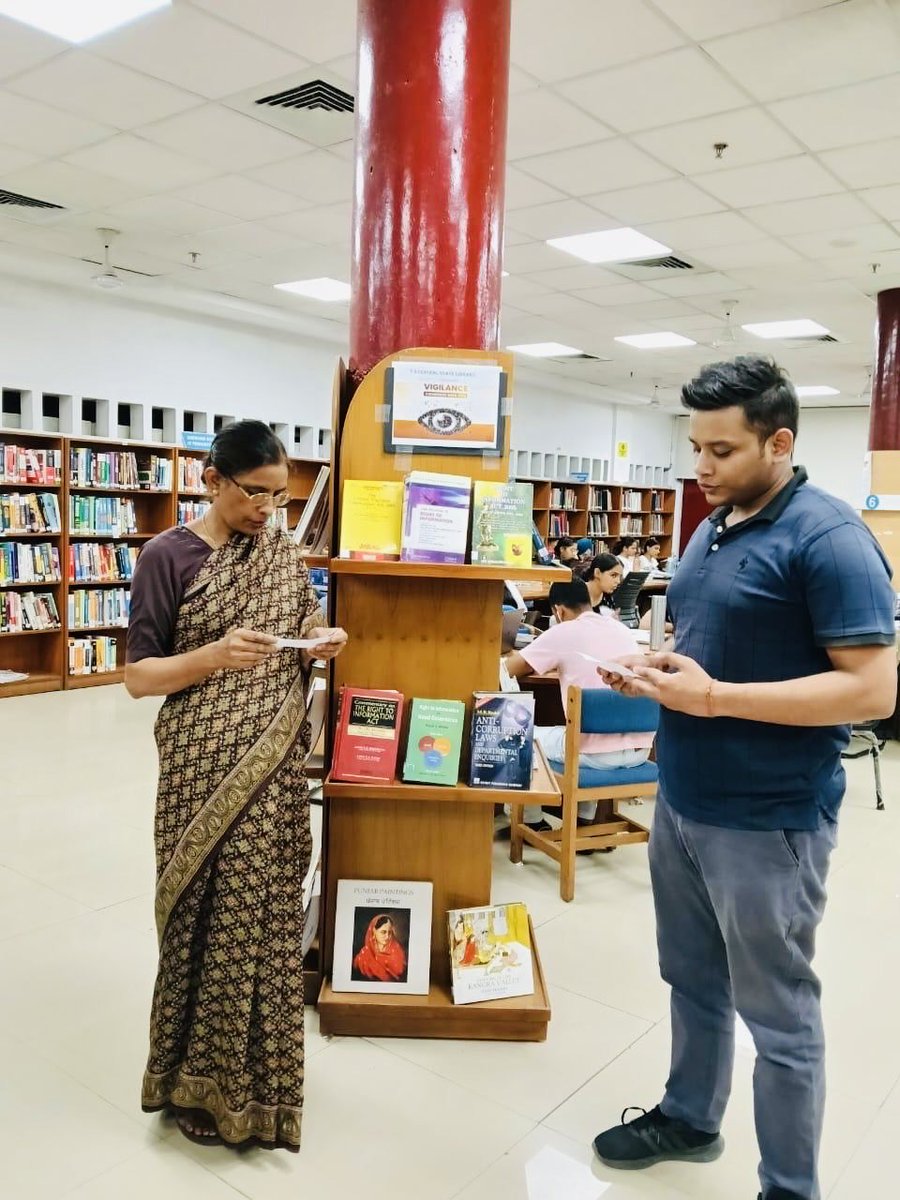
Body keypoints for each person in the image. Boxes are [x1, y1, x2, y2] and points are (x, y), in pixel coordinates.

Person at [592, 357, 896, 1200]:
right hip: (685, 798)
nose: (702, 467)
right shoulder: (715, 522)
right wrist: (660, 667)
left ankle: (789, 1187)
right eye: (695, 446)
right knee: (691, 977)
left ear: (780, 442)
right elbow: (712, 635)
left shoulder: (829, 538)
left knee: (780, 1015)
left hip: (769, 820)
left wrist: (718, 696)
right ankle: (691, 1117)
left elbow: (873, 691)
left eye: (721, 450)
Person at [124, 419, 348, 1152]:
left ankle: (259, 1084)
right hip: (200, 764)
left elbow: (300, 615)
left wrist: (320, 633)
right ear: (211, 480)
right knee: (203, 919)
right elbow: (139, 676)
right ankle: (192, 1078)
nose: (267, 512)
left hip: (275, 764)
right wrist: (216, 655)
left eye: (280, 498)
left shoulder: (279, 550)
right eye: (255, 495)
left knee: (264, 920)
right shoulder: (168, 556)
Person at [504, 578, 654, 832]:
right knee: (593, 720)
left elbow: (511, 669)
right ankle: (584, 819)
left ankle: (530, 822)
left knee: (517, 735)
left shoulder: (562, 631)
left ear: (558, 611)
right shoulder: (619, 628)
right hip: (639, 749)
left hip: (591, 755)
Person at [353, 914, 407, 982]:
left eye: (389, 932)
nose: (387, 936)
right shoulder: (363, 954)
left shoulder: (398, 952)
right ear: (374, 931)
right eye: (383, 932)